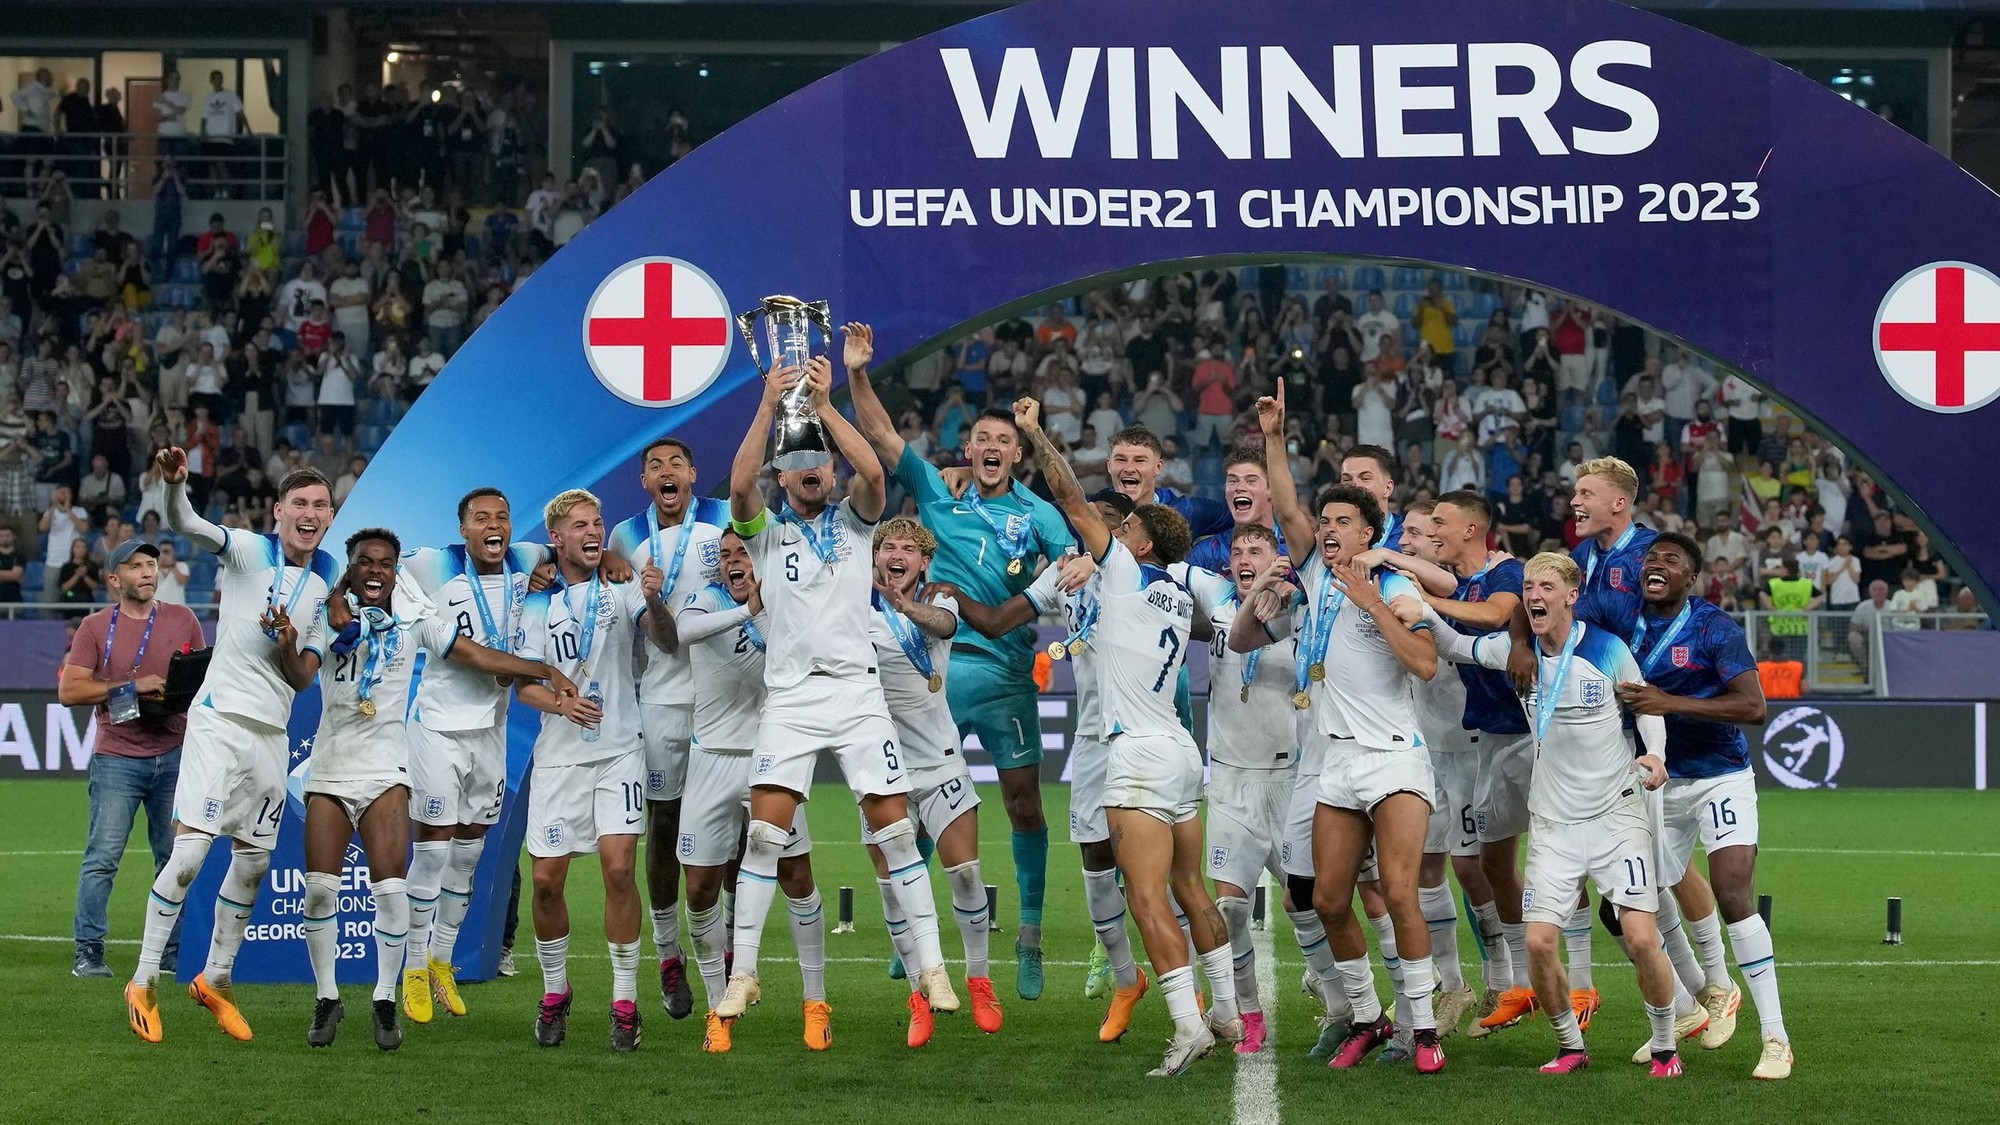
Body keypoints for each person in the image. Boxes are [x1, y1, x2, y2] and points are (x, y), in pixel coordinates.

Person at [720, 355, 959, 1036]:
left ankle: (932, 967)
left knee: (894, 828)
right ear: (783, 477)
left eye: (822, 463)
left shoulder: (857, 523)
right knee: (765, 835)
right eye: (801, 466)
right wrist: (769, 406)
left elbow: (877, 474)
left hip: (857, 697)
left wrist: (825, 405)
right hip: (791, 699)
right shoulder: (765, 532)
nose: (815, 472)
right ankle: (744, 976)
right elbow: (740, 485)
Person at [844, 322, 1074, 999]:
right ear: (968, 448)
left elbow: (1074, 555)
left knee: (1024, 804)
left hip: (1005, 675)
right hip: (930, 668)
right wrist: (858, 374)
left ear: (1018, 454)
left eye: (1006, 441)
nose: (993, 447)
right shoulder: (940, 494)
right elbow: (885, 439)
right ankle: (914, 939)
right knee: (913, 806)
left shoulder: (1036, 513)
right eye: (984, 439)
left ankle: (1028, 938)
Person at [1018, 395, 1241, 1077]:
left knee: (1147, 899)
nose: (1110, 527)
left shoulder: (1119, 569)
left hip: (1137, 752)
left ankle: (1187, 1025)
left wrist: (1035, 433)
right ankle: (1228, 1009)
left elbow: (1065, 493)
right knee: (1191, 888)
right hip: (1179, 746)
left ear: (1137, 542)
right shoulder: (1174, 588)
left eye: (1126, 525)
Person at [1237, 380, 1444, 1073]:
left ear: (1369, 531)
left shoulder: (1395, 589)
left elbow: (1424, 664)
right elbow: (1286, 504)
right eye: (1324, 521)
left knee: (1401, 890)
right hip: (1332, 763)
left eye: (1342, 522)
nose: (1326, 529)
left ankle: (1423, 1026)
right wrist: (1274, 436)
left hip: (1393, 758)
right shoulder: (1316, 579)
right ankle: (1367, 1015)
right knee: (1326, 898)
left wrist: (1373, 602)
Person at [295, 528, 568, 1050]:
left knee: (392, 892)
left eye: (385, 563)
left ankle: (384, 999)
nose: (375, 570)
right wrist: (299, 633)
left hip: (388, 773)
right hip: (330, 770)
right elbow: (301, 675)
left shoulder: (416, 622)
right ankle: (327, 998)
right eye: (364, 562)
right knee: (318, 891)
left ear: (397, 572)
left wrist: (541, 668)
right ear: (349, 569)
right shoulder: (327, 618)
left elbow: (475, 656)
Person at [1427, 552, 1684, 1076]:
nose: (1534, 595)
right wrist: (1421, 607)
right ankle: (1570, 1046)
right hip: (1552, 825)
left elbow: (1645, 706)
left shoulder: (1606, 649)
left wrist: (1654, 753)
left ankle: (1665, 1046)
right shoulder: (1515, 651)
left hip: (1617, 817)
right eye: (1528, 586)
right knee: (1540, 942)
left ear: (1572, 594)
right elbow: (1454, 645)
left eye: (1546, 585)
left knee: (1639, 937)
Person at [123, 454, 340, 1044]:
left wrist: (290, 641)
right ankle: (142, 980)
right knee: (191, 856)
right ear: (278, 513)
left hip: (273, 734)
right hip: (220, 723)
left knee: (254, 862)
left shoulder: (324, 584)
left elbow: (302, 678)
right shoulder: (247, 550)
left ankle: (215, 977)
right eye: (299, 504)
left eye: (320, 505)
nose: (310, 514)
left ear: (329, 515)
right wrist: (174, 484)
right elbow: (185, 522)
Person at [1617, 533, 1793, 1079]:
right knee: (1629, 903)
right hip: (1655, 781)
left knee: (1733, 889)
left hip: (1721, 777)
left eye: (1671, 560)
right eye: (1651, 558)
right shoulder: (1624, 623)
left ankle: (1775, 1038)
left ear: (1691, 578)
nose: (1656, 564)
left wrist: (1669, 703)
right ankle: (1695, 1004)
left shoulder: (1714, 627)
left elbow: (1754, 706)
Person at [513, 488, 678, 1051]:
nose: (592, 531)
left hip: (617, 750)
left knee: (617, 872)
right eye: (580, 524)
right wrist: (560, 702)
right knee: (544, 880)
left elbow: (662, 637)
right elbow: (523, 682)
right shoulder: (535, 597)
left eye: (598, 523)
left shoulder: (620, 582)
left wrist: (654, 600)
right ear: (555, 537)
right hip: (560, 757)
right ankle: (556, 991)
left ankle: (625, 1002)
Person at [394, 490, 558, 1024]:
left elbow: (571, 552)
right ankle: (413, 968)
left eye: (502, 517)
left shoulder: (529, 559)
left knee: (468, 855)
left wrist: (610, 562)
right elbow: (377, 564)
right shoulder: (431, 564)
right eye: (481, 518)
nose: (494, 525)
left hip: (492, 729)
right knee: (434, 853)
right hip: (437, 728)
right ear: (462, 528)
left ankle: (442, 960)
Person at [673, 529, 817, 1053]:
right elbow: (685, 632)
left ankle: (815, 1000)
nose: (735, 562)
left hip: (771, 758)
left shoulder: (788, 607)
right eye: (727, 556)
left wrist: (767, 609)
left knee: (797, 875)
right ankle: (717, 1008)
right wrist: (749, 610)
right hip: (710, 759)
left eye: (745, 554)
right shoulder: (706, 602)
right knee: (699, 889)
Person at [604, 437, 729, 1019]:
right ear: (645, 482)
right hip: (660, 698)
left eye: (676, 463)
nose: (667, 472)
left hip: (724, 695)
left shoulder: (725, 518)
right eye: (655, 466)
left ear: (693, 473)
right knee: (665, 822)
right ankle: (668, 952)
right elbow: (657, 636)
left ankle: (725, 946)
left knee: (728, 824)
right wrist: (652, 601)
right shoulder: (625, 539)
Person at [864, 517, 1003, 1042]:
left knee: (965, 873)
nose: (896, 554)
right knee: (892, 887)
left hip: (942, 760)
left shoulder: (938, 602)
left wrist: (902, 604)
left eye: (908, 548)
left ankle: (979, 979)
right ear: (876, 558)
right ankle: (921, 991)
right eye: (887, 547)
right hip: (882, 769)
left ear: (924, 562)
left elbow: (944, 629)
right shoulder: (856, 615)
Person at [61, 541, 207, 979]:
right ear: (113, 580)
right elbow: (69, 692)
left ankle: (171, 951)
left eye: (151, 564)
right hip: (117, 757)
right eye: (135, 566)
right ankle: (88, 950)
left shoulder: (184, 619)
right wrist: (132, 685)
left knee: (175, 858)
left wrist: (176, 694)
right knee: (103, 857)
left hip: (175, 751)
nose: (147, 572)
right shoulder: (94, 627)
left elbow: (203, 679)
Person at [1182, 521, 1299, 1055]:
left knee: (1310, 904)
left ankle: (1345, 1005)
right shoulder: (1214, 593)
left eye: (1257, 549)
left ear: (1277, 558)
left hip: (1290, 778)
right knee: (1229, 906)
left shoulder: (1300, 606)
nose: (1245, 556)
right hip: (1229, 777)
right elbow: (1152, 560)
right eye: (1238, 550)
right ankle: (1245, 1014)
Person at [1183, 447, 1290, 573]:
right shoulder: (1207, 553)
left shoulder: (1293, 550)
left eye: (1251, 481)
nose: (1239, 487)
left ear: (1272, 489)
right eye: (1233, 481)